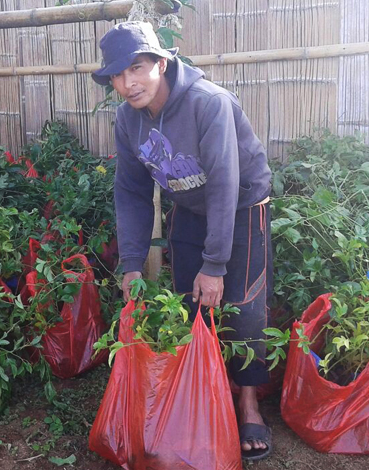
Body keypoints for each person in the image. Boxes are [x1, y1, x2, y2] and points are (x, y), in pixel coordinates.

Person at [93, 21, 275, 461]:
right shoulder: (127, 118)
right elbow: (132, 191)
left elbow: (225, 184)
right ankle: (205, 394)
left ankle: (249, 404)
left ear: (161, 62)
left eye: (136, 68)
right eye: (117, 75)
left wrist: (215, 264)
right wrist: (132, 263)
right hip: (188, 206)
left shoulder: (207, 103)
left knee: (243, 306)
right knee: (188, 301)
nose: (127, 83)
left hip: (241, 205)